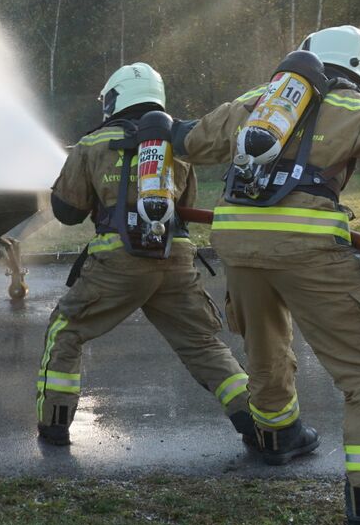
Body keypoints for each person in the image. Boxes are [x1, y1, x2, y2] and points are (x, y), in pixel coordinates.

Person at [172, 26, 360, 525]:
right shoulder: (354, 108)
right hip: (307, 246)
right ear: (355, 70)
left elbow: (189, 142)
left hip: (235, 240)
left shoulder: (255, 103)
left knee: (265, 345)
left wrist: (150, 127)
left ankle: (278, 437)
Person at [36, 62, 256, 448]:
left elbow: (67, 213)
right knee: (202, 344)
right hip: (175, 262)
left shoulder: (92, 144)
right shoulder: (178, 147)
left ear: (115, 98)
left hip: (118, 264)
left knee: (64, 331)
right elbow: (185, 209)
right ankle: (257, 425)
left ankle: (54, 426)